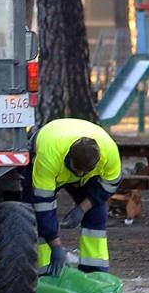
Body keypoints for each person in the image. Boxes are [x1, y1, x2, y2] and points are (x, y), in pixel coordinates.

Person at [23, 118, 121, 276]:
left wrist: (82, 209)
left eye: (84, 171)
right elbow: (42, 205)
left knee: (97, 212)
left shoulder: (110, 154)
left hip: (82, 165)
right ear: (68, 156)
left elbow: (109, 186)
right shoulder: (48, 156)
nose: (80, 174)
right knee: (38, 214)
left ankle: (95, 272)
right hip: (51, 148)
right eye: (76, 169)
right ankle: (46, 271)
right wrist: (56, 246)